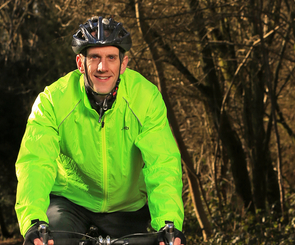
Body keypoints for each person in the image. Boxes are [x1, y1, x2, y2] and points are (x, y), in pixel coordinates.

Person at [15, 16, 185, 245]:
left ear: (123, 64)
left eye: (111, 58)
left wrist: (168, 222)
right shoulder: (52, 101)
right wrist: (34, 222)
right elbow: (35, 163)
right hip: (70, 203)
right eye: (94, 57)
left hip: (127, 207)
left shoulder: (146, 98)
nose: (103, 67)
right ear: (80, 63)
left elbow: (162, 164)